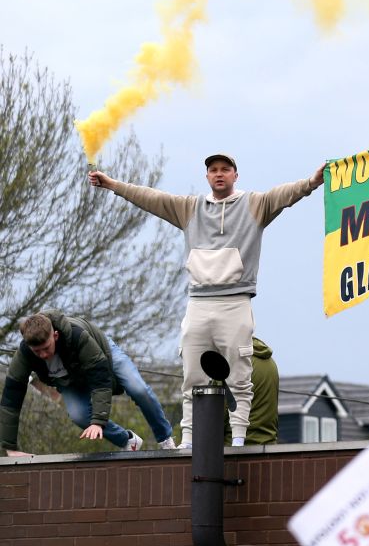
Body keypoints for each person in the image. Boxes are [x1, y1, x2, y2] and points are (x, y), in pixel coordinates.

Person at [90, 154, 322, 448]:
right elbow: (150, 198)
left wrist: (312, 182)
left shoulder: (254, 204)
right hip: (198, 302)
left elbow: (284, 195)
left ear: (236, 175)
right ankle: (188, 440)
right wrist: (112, 184)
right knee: (192, 377)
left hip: (235, 301)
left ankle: (239, 440)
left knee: (240, 376)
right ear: (207, 176)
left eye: (225, 169)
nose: (219, 174)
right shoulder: (190, 208)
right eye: (213, 170)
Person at [2, 312, 176, 455]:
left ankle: (165, 439)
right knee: (79, 415)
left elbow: (100, 377)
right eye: (37, 351)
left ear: (55, 335)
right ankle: (127, 440)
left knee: (138, 389)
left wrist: (98, 421)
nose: (43, 355)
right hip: (70, 377)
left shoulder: (77, 336)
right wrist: (10, 447)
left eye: (46, 348)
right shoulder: (24, 354)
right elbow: (11, 397)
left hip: (104, 354)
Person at [245, 336, 278, 445]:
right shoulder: (270, 362)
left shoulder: (234, 362)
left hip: (237, 447)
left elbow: (217, 414)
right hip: (268, 444)